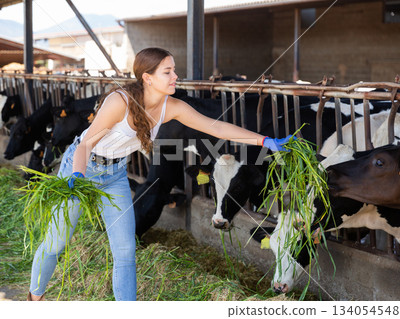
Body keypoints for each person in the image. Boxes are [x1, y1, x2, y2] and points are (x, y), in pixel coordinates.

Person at [27, 47, 293, 301]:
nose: (175, 76)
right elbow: (85, 144)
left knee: (125, 251)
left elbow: (217, 128)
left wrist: (264, 141)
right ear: (148, 78)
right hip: (81, 167)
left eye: (174, 70)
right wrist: (76, 175)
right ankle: (35, 297)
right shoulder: (119, 102)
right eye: (168, 71)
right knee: (56, 242)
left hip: (115, 175)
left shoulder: (171, 106)